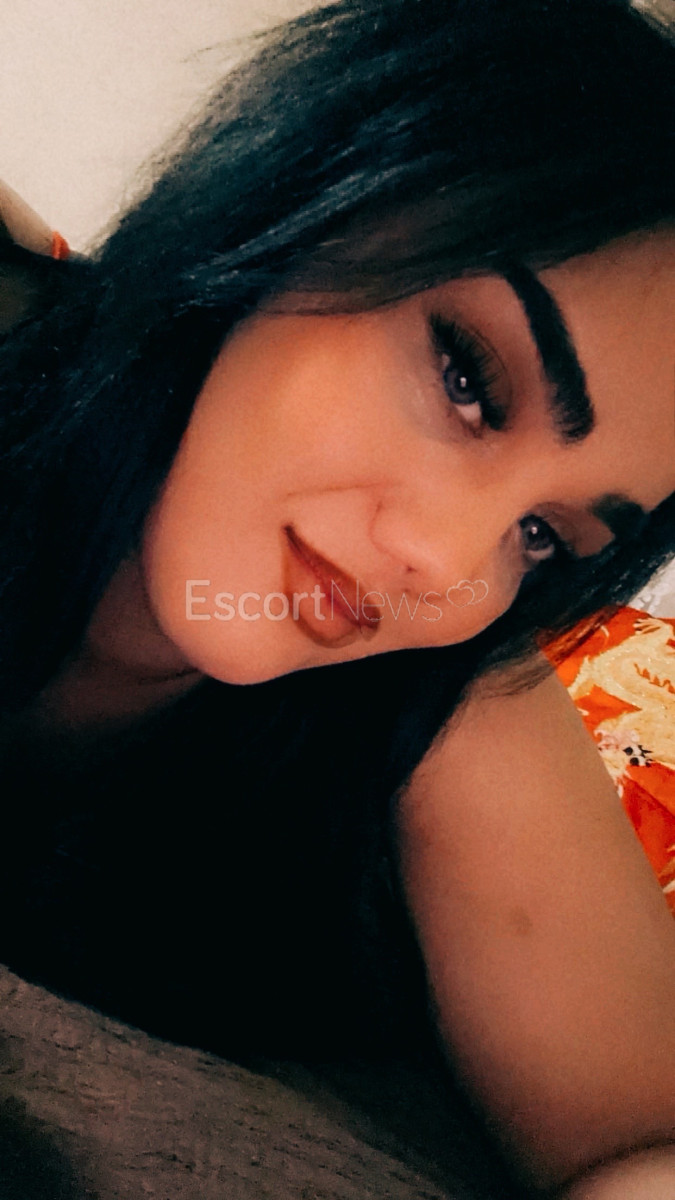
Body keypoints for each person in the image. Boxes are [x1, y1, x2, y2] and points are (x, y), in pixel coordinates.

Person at [0, 0, 674, 1194]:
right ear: (312, 196)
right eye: (467, 377)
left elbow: (640, 1141)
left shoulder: (449, 698)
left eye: (542, 535)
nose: (445, 563)